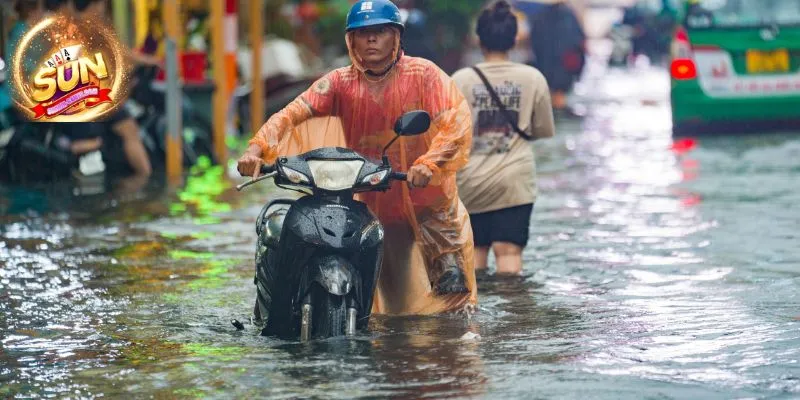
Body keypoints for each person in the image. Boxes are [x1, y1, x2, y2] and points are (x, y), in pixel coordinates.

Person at [237, 0, 477, 316]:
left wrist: (429, 163)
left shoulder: (425, 75)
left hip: (429, 204)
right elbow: (292, 113)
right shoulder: (339, 83)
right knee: (392, 310)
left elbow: (456, 122)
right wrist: (256, 149)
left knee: (454, 303)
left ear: (396, 36)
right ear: (351, 40)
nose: (371, 40)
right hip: (377, 203)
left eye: (379, 32)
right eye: (363, 34)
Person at [451, 0, 555, 276]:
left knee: (474, 257)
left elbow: (449, 134)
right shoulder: (533, 78)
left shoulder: (460, 80)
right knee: (509, 254)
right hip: (515, 183)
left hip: (471, 182)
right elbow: (543, 130)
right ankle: (514, 317)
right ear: (514, 38)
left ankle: (477, 319)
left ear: (479, 38)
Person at [528, 0, 585, 113]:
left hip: (548, 66)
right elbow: (578, 43)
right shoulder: (569, 16)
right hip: (563, 68)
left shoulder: (540, 16)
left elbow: (534, 43)